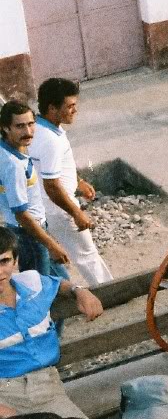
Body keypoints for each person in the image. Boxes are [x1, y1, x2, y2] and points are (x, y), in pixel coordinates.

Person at [0, 225, 103, 418]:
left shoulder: (32, 283)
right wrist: (9, 415)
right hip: (5, 394)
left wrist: (80, 291)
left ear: (15, 261)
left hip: (47, 388)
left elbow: (60, 284)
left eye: (4, 261)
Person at [29, 78, 113, 286]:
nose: (75, 110)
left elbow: (54, 170)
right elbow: (52, 186)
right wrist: (76, 213)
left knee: (47, 260)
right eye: (70, 106)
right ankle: (112, 294)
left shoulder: (38, 129)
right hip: (59, 209)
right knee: (87, 256)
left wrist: (78, 182)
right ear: (52, 108)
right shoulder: (50, 141)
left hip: (42, 208)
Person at [0, 101, 69, 278]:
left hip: (32, 231)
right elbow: (21, 214)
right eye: (20, 126)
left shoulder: (9, 149)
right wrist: (50, 244)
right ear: (6, 128)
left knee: (60, 281)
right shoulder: (13, 165)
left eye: (31, 124)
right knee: (39, 289)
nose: (28, 132)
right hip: (29, 234)